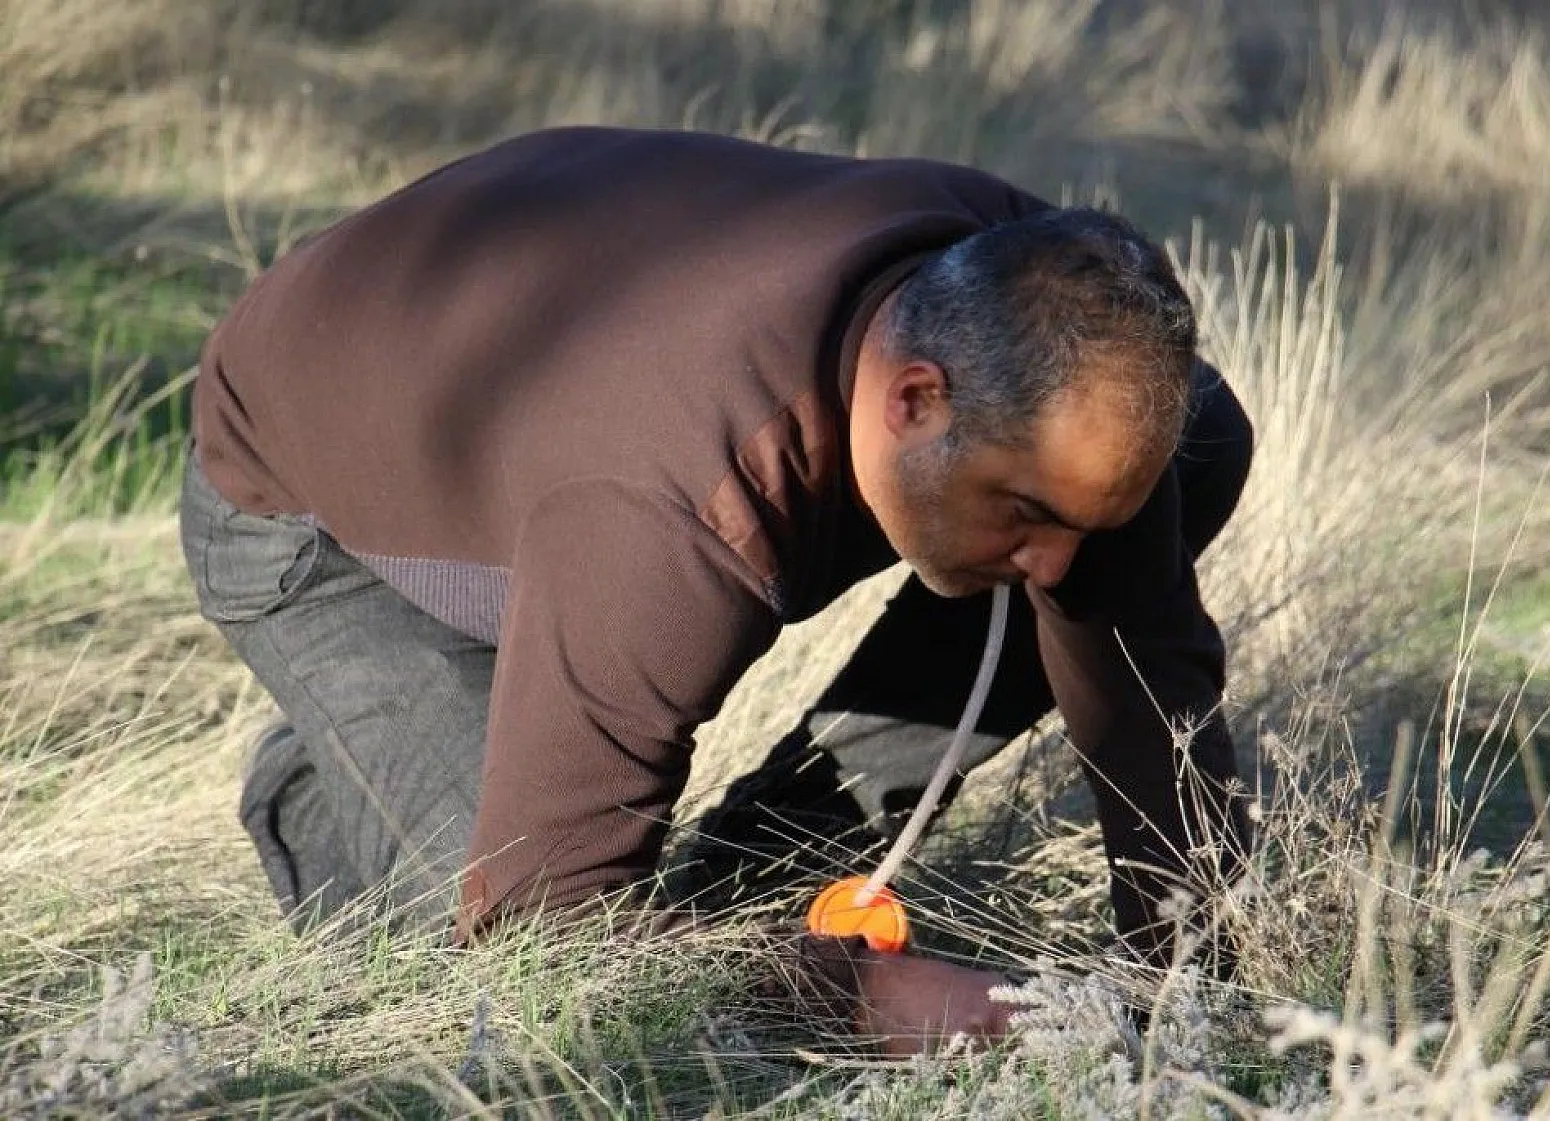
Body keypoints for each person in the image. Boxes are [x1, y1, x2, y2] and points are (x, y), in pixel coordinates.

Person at [177, 126, 1254, 1054]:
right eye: (1023, 511)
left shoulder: (1044, 310)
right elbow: (542, 925)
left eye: (1075, 524)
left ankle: (753, 872)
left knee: (1196, 446)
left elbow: (1139, 669)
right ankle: (323, 776)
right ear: (912, 399)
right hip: (308, 505)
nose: (1053, 567)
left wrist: (1189, 970)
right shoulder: (677, 506)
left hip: (551, 417)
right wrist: (862, 998)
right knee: (516, 990)